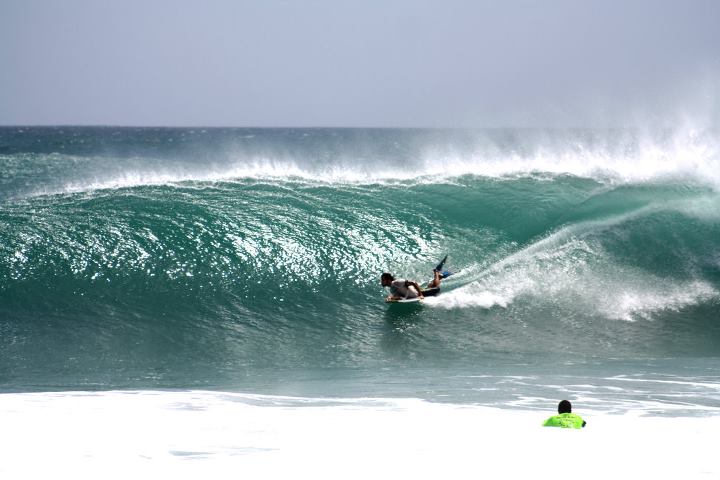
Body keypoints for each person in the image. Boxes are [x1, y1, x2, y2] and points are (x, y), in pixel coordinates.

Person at [381, 256, 447, 302]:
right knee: (430, 286)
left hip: (420, 293)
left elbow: (413, 282)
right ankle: (440, 276)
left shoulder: (396, 282)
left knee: (436, 288)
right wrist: (391, 298)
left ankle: (436, 271)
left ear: (388, 280)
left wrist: (420, 295)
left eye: (383, 280)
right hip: (417, 292)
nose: (381, 282)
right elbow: (400, 296)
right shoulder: (392, 289)